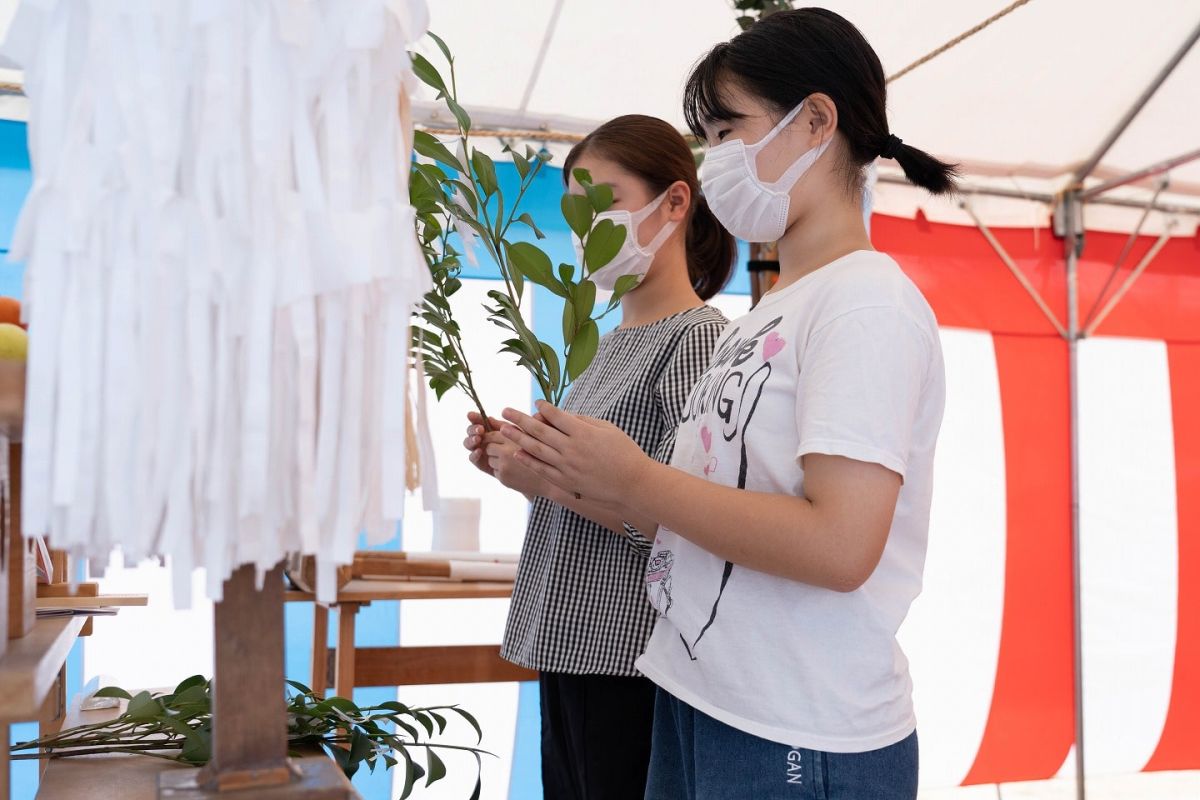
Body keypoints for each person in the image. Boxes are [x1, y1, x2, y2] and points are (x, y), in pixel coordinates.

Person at [495, 9, 955, 799]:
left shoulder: (866, 304)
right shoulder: (774, 311)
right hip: (704, 691)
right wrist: (572, 472)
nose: (713, 161)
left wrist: (634, 479)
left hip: (797, 727)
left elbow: (843, 546)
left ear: (816, 120)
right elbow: (708, 510)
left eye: (724, 129)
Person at [462, 114, 736, 799]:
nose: (586, 226)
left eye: (603, 201)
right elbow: (596, 491)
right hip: (570, 646)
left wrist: (551, 483)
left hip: (627, 660)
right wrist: (520, 468)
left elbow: (691, 525)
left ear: (675, 202)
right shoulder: (608, 345)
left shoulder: (698, 340)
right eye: (574, 210)